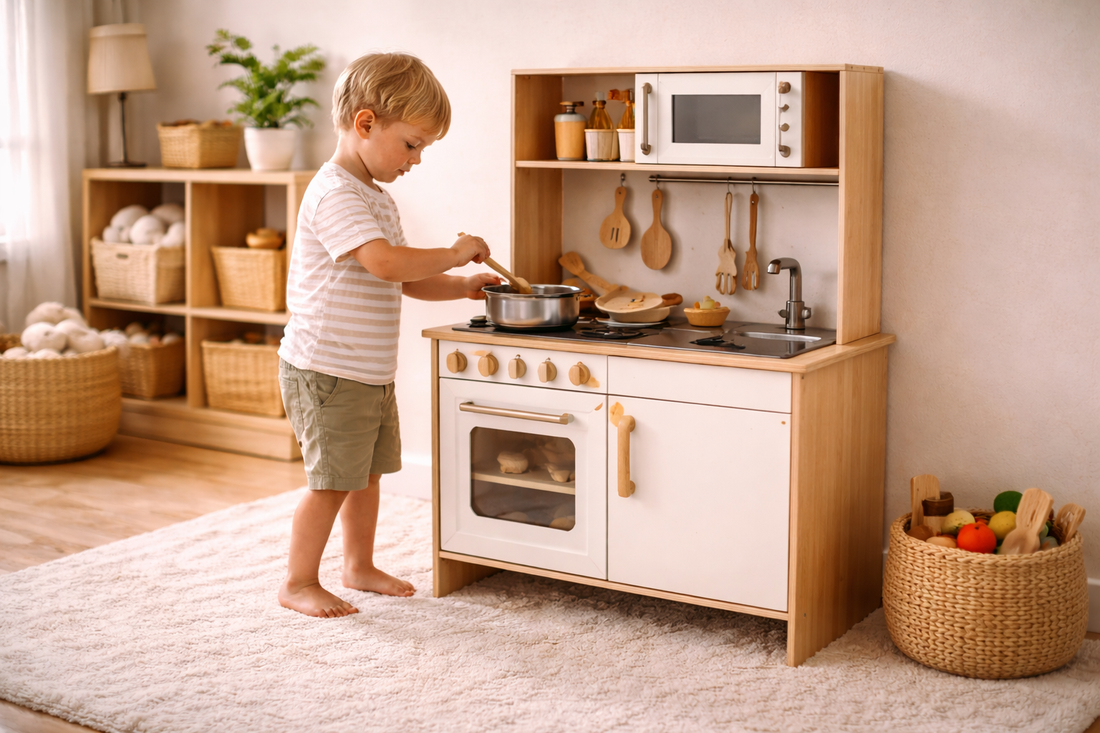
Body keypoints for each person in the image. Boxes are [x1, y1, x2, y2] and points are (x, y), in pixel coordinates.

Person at [276, 52, 500, 618]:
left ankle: (358, 565)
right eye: (412, 144)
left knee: (365, 475)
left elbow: (402, 277)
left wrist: (461, 285)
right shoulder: (334, 193)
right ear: (366, 123)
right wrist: (453, 251)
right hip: (326, 369)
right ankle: (298, 582)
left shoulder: (375, 197)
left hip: (367, 371)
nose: (416, 159)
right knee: (332, 481)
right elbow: (383, 263)